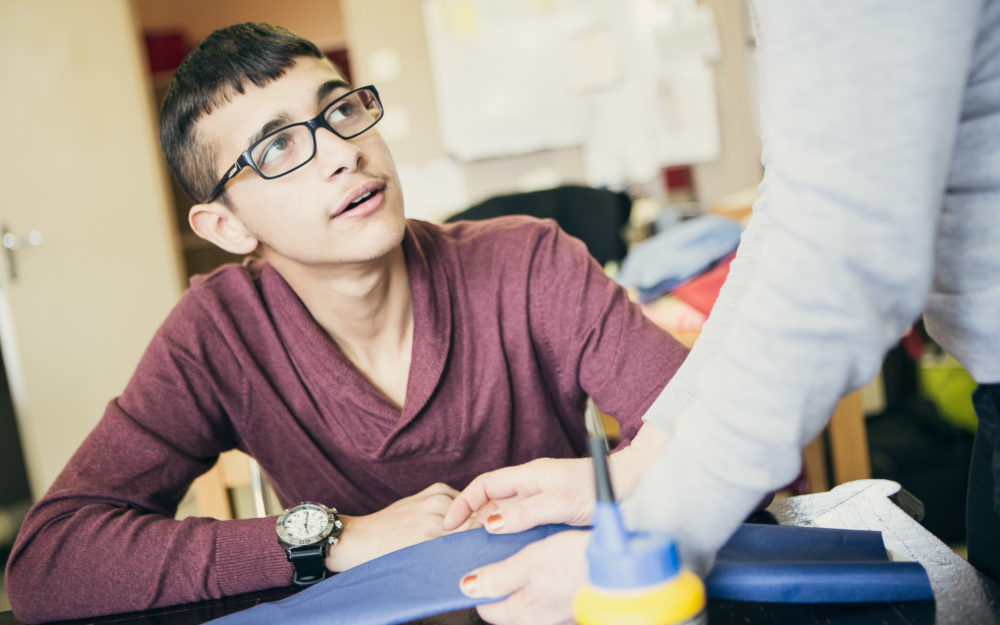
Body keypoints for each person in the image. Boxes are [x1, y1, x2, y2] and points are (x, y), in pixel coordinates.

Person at [3, 23, 690, 623]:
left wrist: (607, 525)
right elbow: (48, 562)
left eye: (341, 110)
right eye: (276, 148)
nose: (342, 152)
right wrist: (333, 537)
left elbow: (716, 436)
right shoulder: (216, 333)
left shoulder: (530, 261)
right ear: (226, 226)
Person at [441, 1, 1000, 623]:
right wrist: (647, 464)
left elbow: (842, 256)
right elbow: (792, 207)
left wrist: (646, 541)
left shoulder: (532, 257)